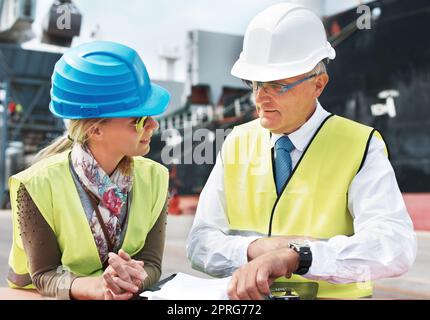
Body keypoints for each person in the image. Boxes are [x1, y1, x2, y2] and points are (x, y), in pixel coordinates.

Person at [186, 3, 416, 299]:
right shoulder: (235, 142)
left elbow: (395, 246)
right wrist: (255, 249)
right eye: (254, 83)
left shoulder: (360, 145)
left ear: (318, 84)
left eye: (276, 85)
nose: (260, 98)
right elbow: (199, 244)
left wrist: (301, 257)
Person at [7, 41, 171, 300]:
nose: (154, 125)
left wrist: (132, 280)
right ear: (95, 130)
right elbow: (43, 275)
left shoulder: (156, 179)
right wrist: (98, 287)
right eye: (139, 120)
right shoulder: (36, 185)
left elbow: (151, 262)